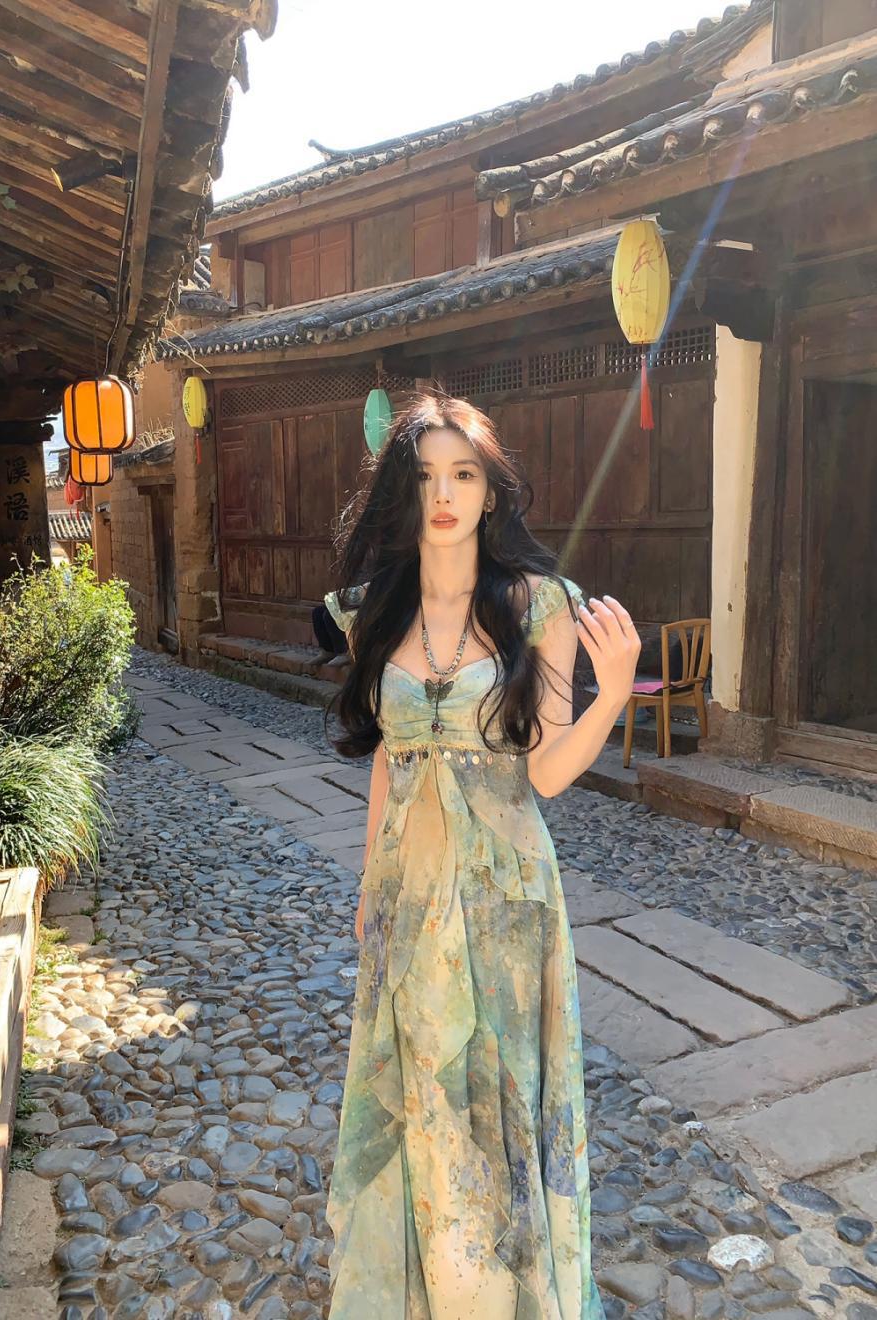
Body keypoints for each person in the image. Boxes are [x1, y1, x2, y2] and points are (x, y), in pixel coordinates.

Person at [322, 393, 640, 1319]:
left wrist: (612, 692)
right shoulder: (377, 613)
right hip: (410, 894)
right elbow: (389, 755)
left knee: (497, 1106)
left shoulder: (536, 606)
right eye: (425, 476)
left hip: (508, 902)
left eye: (463, 474)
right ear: (403, 491)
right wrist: (369, 884)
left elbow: (545, 772)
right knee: (421, 1095)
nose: (445, 495)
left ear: (491, 491)